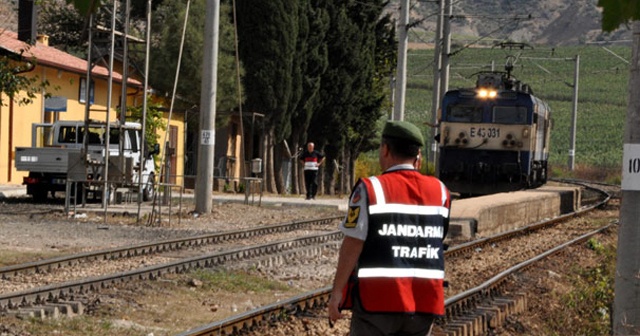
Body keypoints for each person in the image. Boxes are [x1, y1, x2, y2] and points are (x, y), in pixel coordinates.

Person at [327, 120, 451, 336]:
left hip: (378, 301)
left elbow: (353, 242)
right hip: (424, 302)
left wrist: (337, 292)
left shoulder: (370, 188)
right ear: (418, 156)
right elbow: (438, 238)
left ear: (385, 150)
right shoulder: (440, 191)